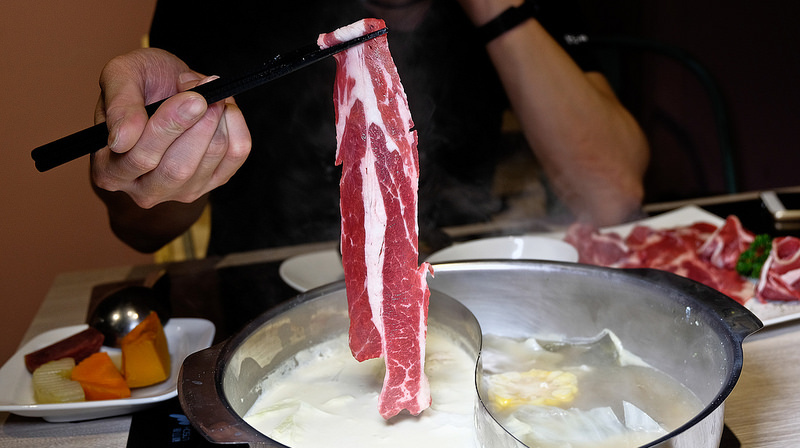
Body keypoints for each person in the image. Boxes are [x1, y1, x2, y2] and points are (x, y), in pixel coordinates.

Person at [91, 0, 649, 256]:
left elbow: (611, 195)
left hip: (461, 285)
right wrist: (152, 161)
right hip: (264, 300)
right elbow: (141, 229)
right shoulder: (230, 8)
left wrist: (496, 7)